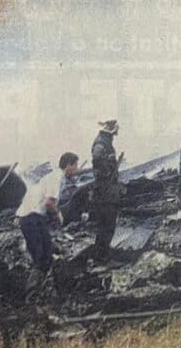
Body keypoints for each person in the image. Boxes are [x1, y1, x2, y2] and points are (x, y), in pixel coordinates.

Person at [16, 152, 77, 294]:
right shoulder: (56, 178)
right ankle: (33, 294)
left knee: (44, 256)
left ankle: (36, 292)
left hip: (29, 217)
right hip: (33, 218)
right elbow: (49, 203)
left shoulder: (50, 177)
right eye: (75, 166)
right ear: (68, 165)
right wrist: (58, 214)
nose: (77, 170)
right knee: (43, 258)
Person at [91, 119, 123, 262]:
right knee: (106, 225)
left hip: (107, 191)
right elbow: (98, 162)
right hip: (105, 192)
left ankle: (102, 255)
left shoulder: (104, 142)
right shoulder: (101, 144)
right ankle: (102, 257)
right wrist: (108, 172)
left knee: (106, 226)